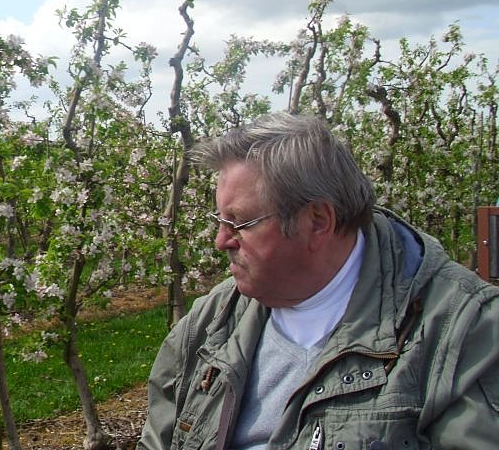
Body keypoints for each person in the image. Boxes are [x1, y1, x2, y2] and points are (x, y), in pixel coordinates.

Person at [137, 112, 499, 450]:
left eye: (239, 224)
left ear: (318, 222)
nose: (221, 241)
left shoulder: (464, 335)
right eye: (219, 220)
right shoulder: (209, 325)